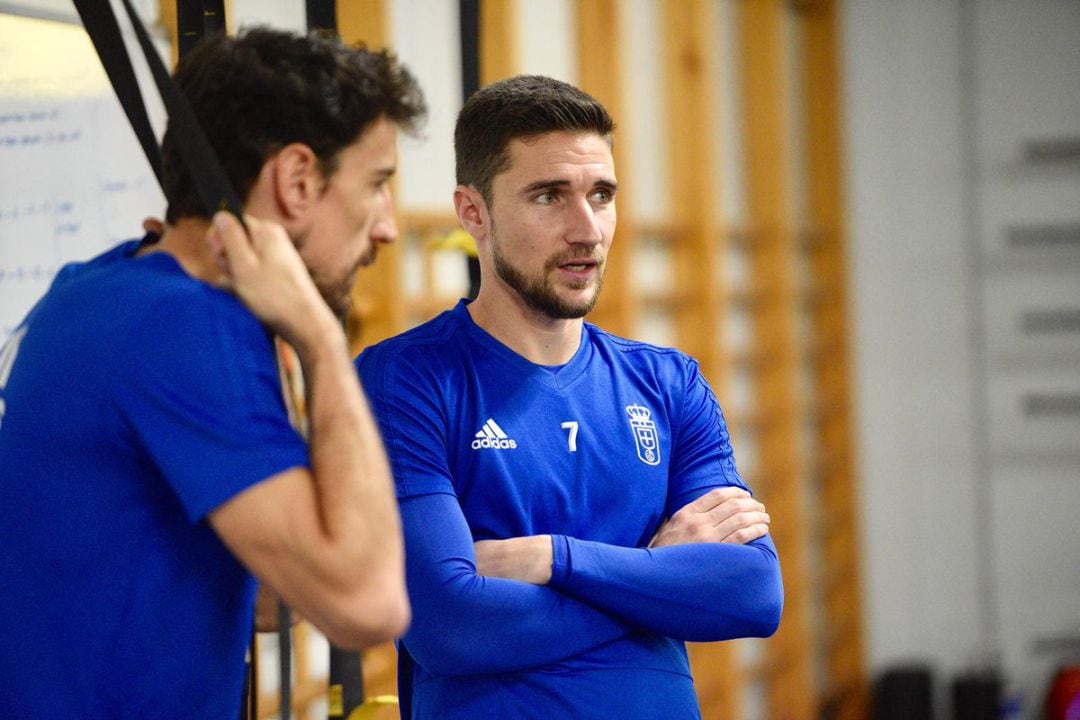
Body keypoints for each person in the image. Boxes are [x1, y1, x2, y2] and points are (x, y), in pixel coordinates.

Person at [0, 28, 425, 717]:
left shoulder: (96, 284)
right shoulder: (184, 327)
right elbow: (367, 605)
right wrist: (318, 338)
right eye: (375, 185)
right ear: (295, 180)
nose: (386, 227)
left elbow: (269, 594)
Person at [355, 75, 783, 719]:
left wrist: (552, 558)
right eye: (549, 196)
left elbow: (751, 595)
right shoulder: (406, 379)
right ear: (473, 211)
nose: (587, 229)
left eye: (602, 194)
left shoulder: (669, 384)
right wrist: (656, 572)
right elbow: (450, 626)